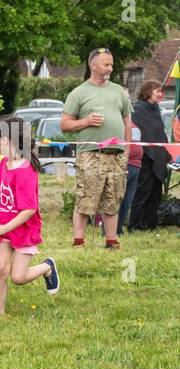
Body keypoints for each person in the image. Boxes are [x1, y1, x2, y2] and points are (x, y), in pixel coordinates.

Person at [0, 115, 59, 314]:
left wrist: (6, 227)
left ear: (7, 140)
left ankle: (47, 267)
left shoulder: (25, 171)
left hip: (22, 227)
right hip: (3, 224)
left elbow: (29, 209)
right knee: (1, 269)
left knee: (18, 277)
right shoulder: (4, 164)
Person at [61, 48, 132, 248]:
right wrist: (86, 121)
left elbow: (127, 122)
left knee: (113, 200)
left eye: (111, 64)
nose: (110, 67)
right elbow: (65, 124)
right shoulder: (79, 93)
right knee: (86, 199)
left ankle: (111, 240)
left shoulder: (118, 90)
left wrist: (126, 150)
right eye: (106, 64)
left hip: (116, 155)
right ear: (93, 65)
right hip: (90, 155)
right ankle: (79, 241)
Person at [128, 80, 169, 231]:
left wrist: (166, 152)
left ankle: (150, 224)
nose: (160, 94)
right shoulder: (137, 109)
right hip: (145, 158)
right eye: (157, 91)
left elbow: (159, 133)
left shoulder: (156, 109)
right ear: (148, 92)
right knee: (142, 193)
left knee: (155, 194)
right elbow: (140, 134)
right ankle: (135, 224)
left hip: (158, 157)